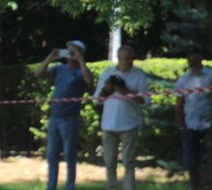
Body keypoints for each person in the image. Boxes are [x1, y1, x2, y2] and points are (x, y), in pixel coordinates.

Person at [35, 39, 93, 190]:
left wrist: (80, 59)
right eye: (67, 50)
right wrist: (50, 58)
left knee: (69, 155)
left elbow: (89, 80)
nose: (69, 54)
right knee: (52, 155)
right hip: (55, 117)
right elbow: (38, 74)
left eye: (72, 51)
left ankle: (69, 186)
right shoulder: (59, 69)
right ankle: (51, 186)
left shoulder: (81, 71)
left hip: (70, 118)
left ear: (80, 52)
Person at [93, 45, 149, 190]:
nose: (130, 61)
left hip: (129, 124)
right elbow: (96, 99)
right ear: (119, 58)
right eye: (126, 59)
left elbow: (145, 101)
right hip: (109, 124)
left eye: (132, 58)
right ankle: (111, 187)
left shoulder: (139, 75)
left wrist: (126, 91)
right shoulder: (107, 73)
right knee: (110, 162)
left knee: (128, 162)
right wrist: (107, 89)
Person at [173, 45, 212, 190]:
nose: (191, 58)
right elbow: (178, 105)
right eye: (189, 55)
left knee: (210, 161)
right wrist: (181, 126)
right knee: (191, 163)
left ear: (200, 57)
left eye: (194, 55)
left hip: (210, 125)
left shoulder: (211, 75)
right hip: (191, 125)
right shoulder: (183, 80)